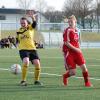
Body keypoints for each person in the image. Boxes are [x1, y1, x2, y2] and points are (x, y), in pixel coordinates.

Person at [62, 15, 92, 87]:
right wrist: (76, 49)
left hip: (77, 52)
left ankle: (87, 83)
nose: (70, 23)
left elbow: (78, 41)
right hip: (70, 53)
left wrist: (79, 47)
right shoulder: (67, 30)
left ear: (75, 21)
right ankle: (65, 76)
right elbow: (66, 43)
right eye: (69, 22)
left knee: (84, 67)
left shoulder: (77, 30)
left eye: (71, 21)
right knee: (73, 73)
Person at [16, 11, 42, 86]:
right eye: (21, 23)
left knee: (37, 64)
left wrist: (33, 17)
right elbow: (17, 40)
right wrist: (17, 44)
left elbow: (34, 24)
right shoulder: (18, 31)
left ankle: (36, 81)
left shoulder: (30, 28)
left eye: (24, 23)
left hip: (32, 49)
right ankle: (23, 81)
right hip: (23, 49)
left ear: (27, 23)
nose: (23, 24)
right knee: (26, 61)